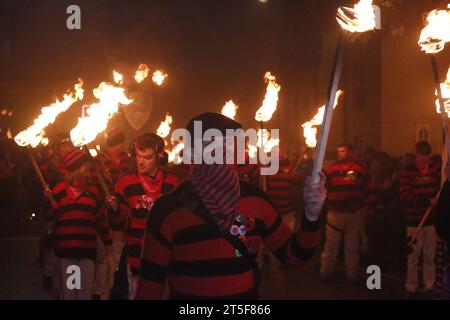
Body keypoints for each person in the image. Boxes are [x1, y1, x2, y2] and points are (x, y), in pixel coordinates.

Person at [135, 113, 326, 299]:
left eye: (229, 146)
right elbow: (150, 283)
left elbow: (294, 257)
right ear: (193, 152)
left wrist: (311, 216)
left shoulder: (257, 202)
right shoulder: (168, 210)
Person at [105, 133, 180, 300]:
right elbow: (119, 226)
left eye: (146, 157)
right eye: (138, 156)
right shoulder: (125, 183)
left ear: (159, 156)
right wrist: (114, 210)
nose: (140, 161)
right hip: (136, 258)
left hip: (166, 261)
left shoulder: (173, 184)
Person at [43, 149, 114, 300]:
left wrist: (108, 243)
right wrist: (49, 201)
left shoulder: (93, 191)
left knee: (84, 292)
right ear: (76, 168)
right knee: (70, 291)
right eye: (85, 167)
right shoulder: (60, 190)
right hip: (67, 251)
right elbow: (49, 215)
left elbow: (101, 219)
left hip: (86, 251)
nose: (88, 170)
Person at [320, 143, 371, 284]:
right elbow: (324, 188)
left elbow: (368, 188)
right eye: (338, 151)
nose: (340, 154)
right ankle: (325, 271)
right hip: (335, 214)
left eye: (343, 151)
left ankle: (351, 274)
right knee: (331, 245)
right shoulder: (331, 170)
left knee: (352, 246)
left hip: (354, 214)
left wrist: (369, 208)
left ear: (351, 152)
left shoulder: (360, 169)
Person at [92, 128, 131, 300]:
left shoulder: (127, 161)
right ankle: (101, 292)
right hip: (104, 216)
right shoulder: (98, 161)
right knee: (104, 257)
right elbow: (93, 184)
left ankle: (116, 290)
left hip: (122, 214)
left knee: (119, 257)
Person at [400, 141, 441, 299]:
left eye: (426, 155)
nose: (424, 158)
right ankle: (411, 287)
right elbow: (404, 195)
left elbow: (441, 183)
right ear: (416, 154)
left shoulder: (434, 169)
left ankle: (429, 286)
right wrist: (426, 201)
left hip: (431, 221)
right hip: (414, 221)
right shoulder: (408, 171)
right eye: (421, 155)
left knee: (430, 256)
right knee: (413, 257)